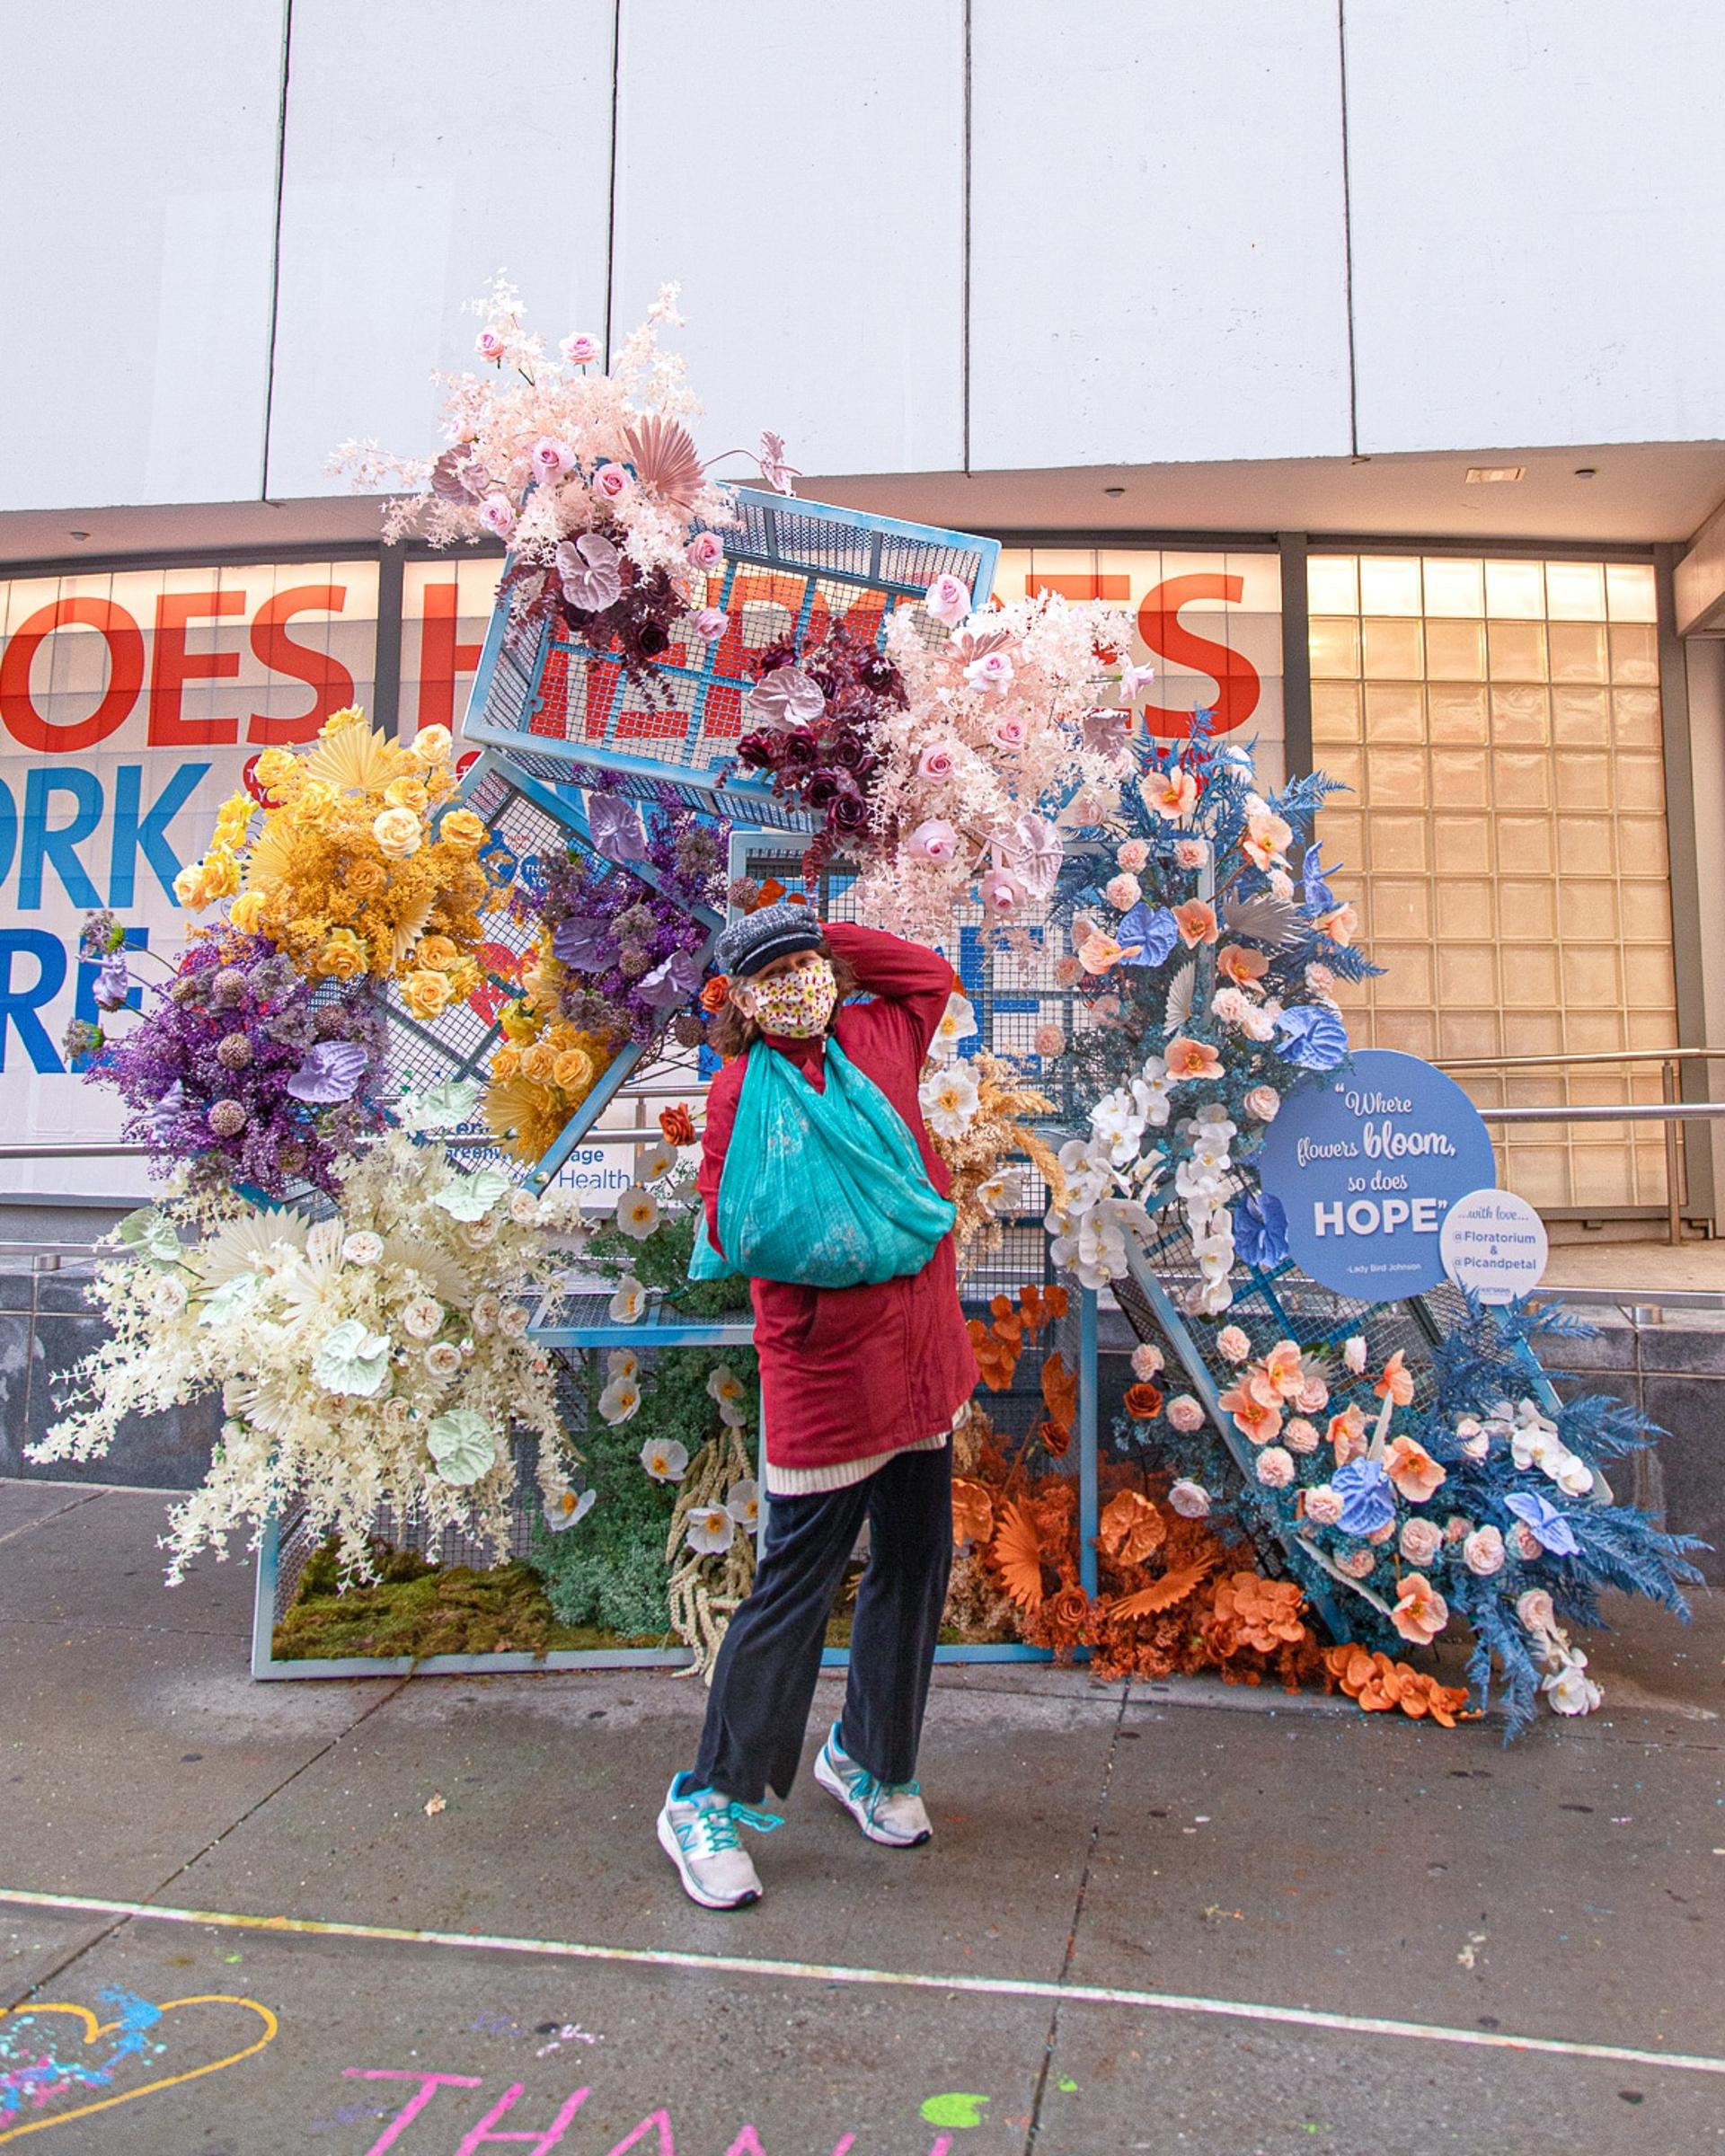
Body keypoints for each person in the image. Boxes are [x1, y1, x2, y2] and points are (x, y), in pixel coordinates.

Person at [656, 904, 979, 1910]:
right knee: (795, 1589)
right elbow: (740, 1230)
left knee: (917, 1564)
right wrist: (848, 1241)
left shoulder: (878, 1034)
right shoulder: (738, 1094)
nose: (795, 984)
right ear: (741, 1003)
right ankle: (707, 1797)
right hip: (827, 1375)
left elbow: (926, 972)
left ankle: (870, 1757)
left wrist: (815, 929)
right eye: (771, 975)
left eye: (806, 968)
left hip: (921, 1358)